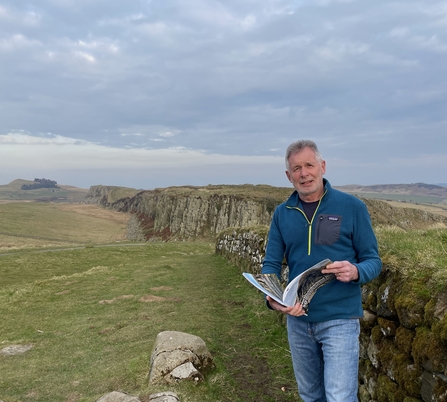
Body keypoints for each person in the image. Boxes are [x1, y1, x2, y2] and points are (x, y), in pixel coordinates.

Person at [261, 139, 382, 402]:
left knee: (339, 397)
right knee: (310, 396)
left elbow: (373, 260)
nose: (304, 173)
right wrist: (273, 299)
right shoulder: (282, 214)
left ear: (322, 166)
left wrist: (356, 271)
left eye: (309, 165)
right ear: (288, 176)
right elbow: (270, 265)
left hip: (340, 318)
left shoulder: (352, 207)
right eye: (296, 168)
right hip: (298, 321)